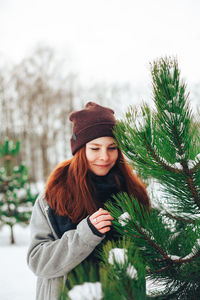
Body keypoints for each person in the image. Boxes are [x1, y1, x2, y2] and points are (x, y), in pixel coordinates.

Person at [27, 102, 150, 300]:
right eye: (95, 148)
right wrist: (85, 235)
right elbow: (38, 261)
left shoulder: (134, 194)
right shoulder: (52, 198)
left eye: (112, 148)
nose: (104, 156)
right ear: (80, 150)